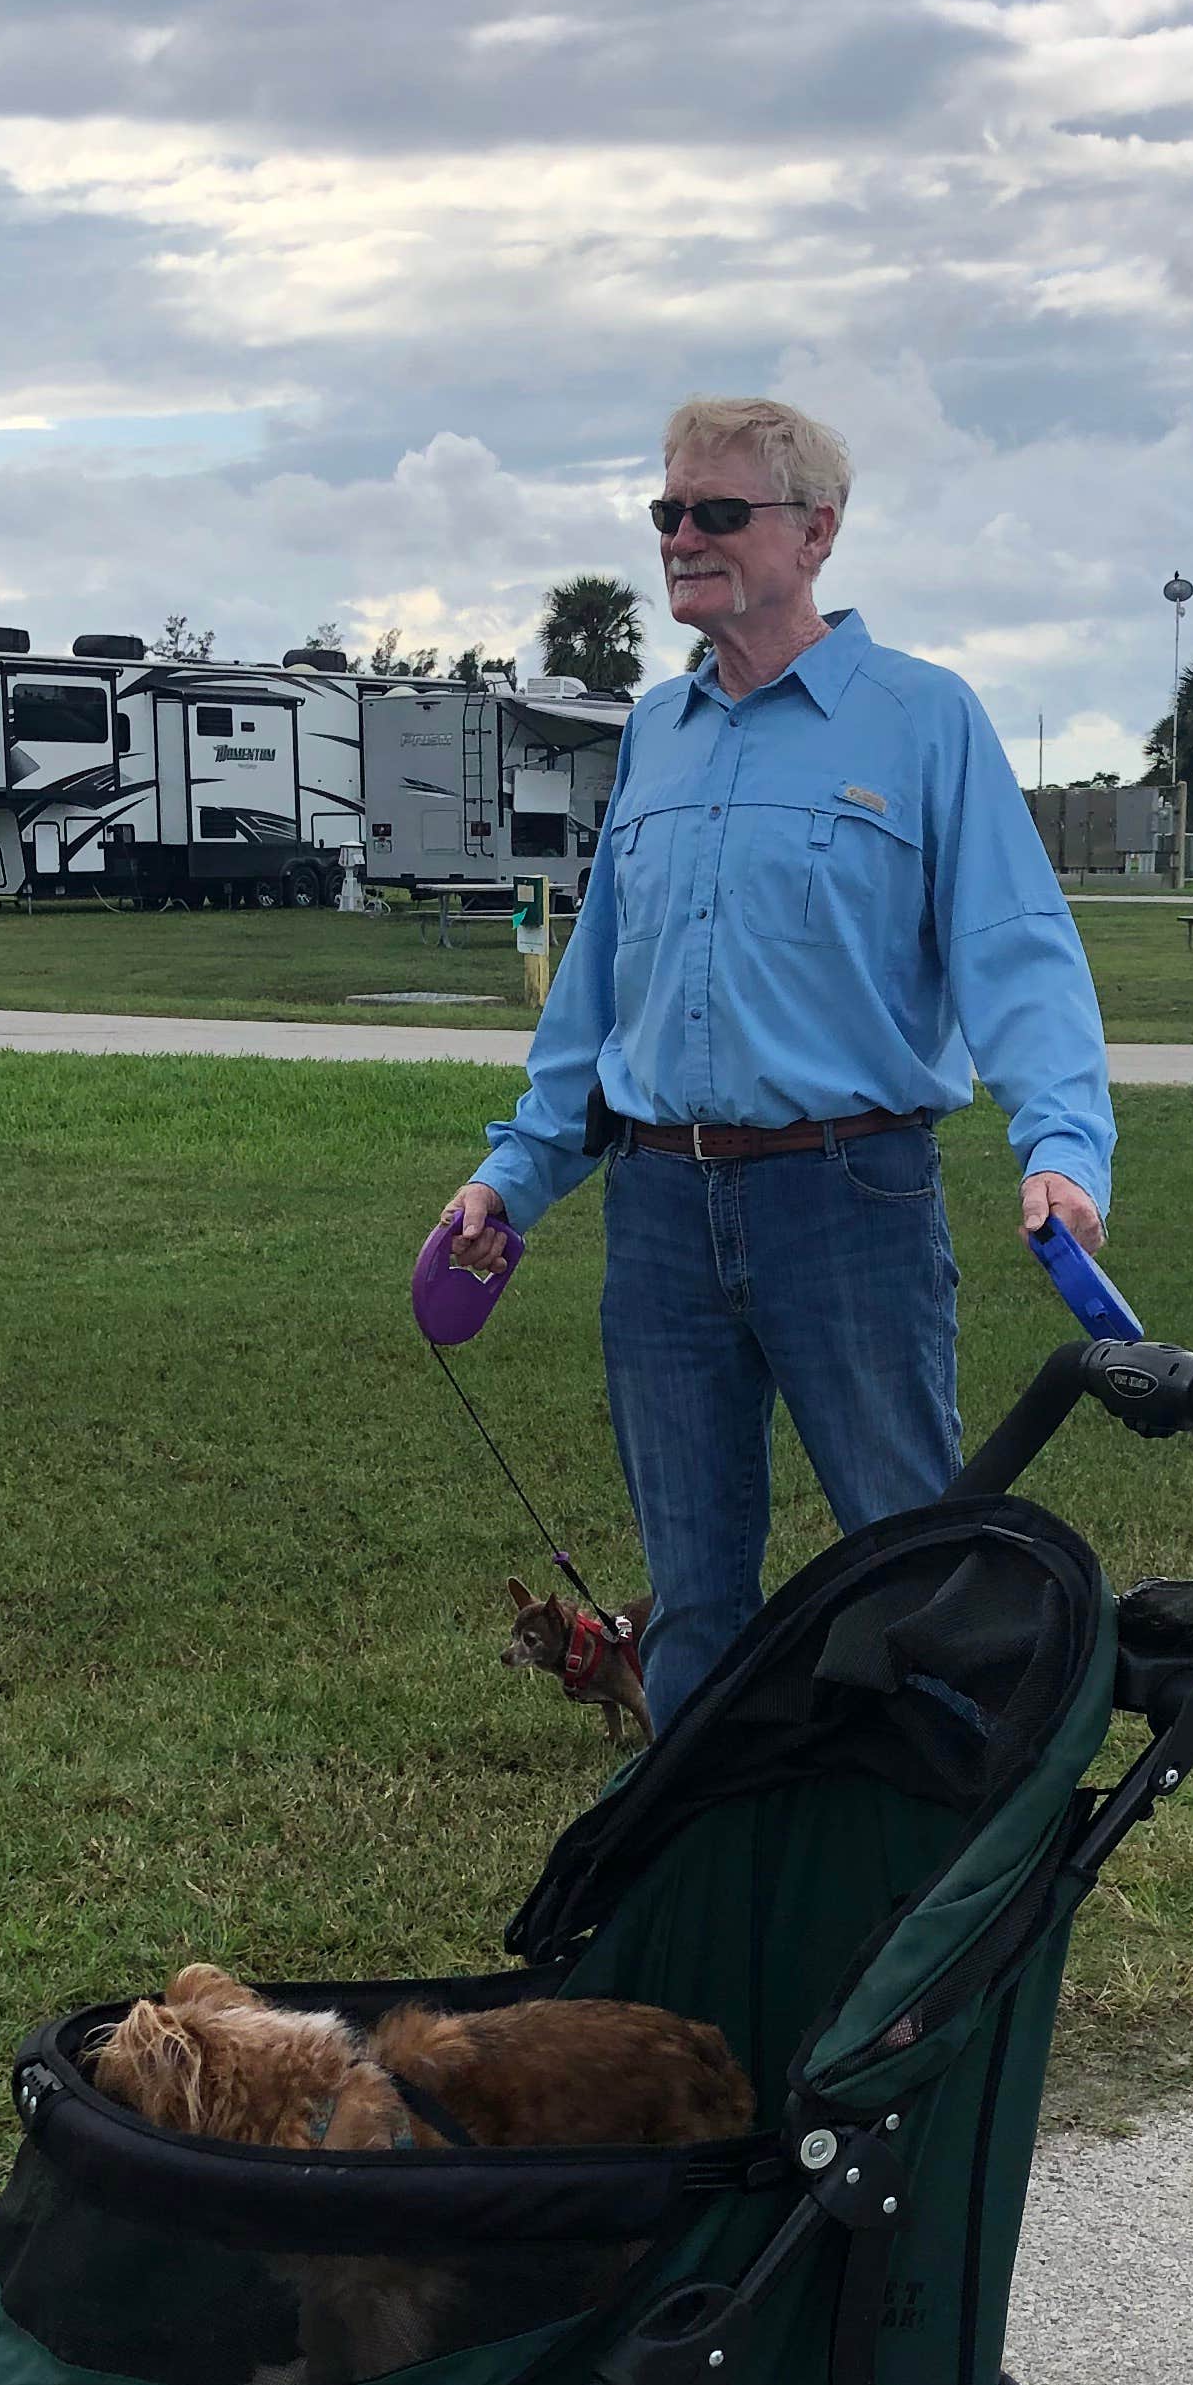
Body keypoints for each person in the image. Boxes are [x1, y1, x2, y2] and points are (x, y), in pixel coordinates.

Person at [433, 395, 1114, 1727]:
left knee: (914, 1565)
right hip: (662, 1216)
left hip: (849, 1204)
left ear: (816, 533)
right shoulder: (656, 736)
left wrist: (1063, 1149)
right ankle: (692, 1884)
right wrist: (514, 1175)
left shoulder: (923, 720)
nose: (683, 536)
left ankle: (948, 1876)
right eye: (668, 512)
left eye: (718, 513)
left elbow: (1017, 952)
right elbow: (599, 994)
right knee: (692, 1599)